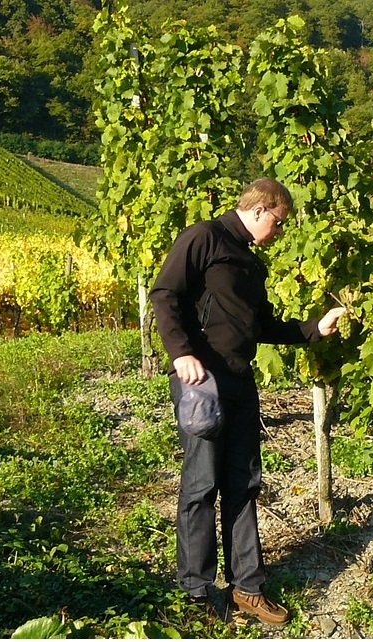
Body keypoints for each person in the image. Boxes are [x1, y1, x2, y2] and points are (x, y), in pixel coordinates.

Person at [150, 177, 346, 625]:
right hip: (202, 381)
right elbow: (165, 295)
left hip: (240, 382)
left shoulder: (250, 263)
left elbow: (263, 327)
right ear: (260, 209)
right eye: (279, 223)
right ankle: (197, 593)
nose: (280, 232)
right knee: (200, 486)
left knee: (244, 484)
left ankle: (247, 588)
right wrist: (181, 354)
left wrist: (316, 328)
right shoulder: (204, 238)